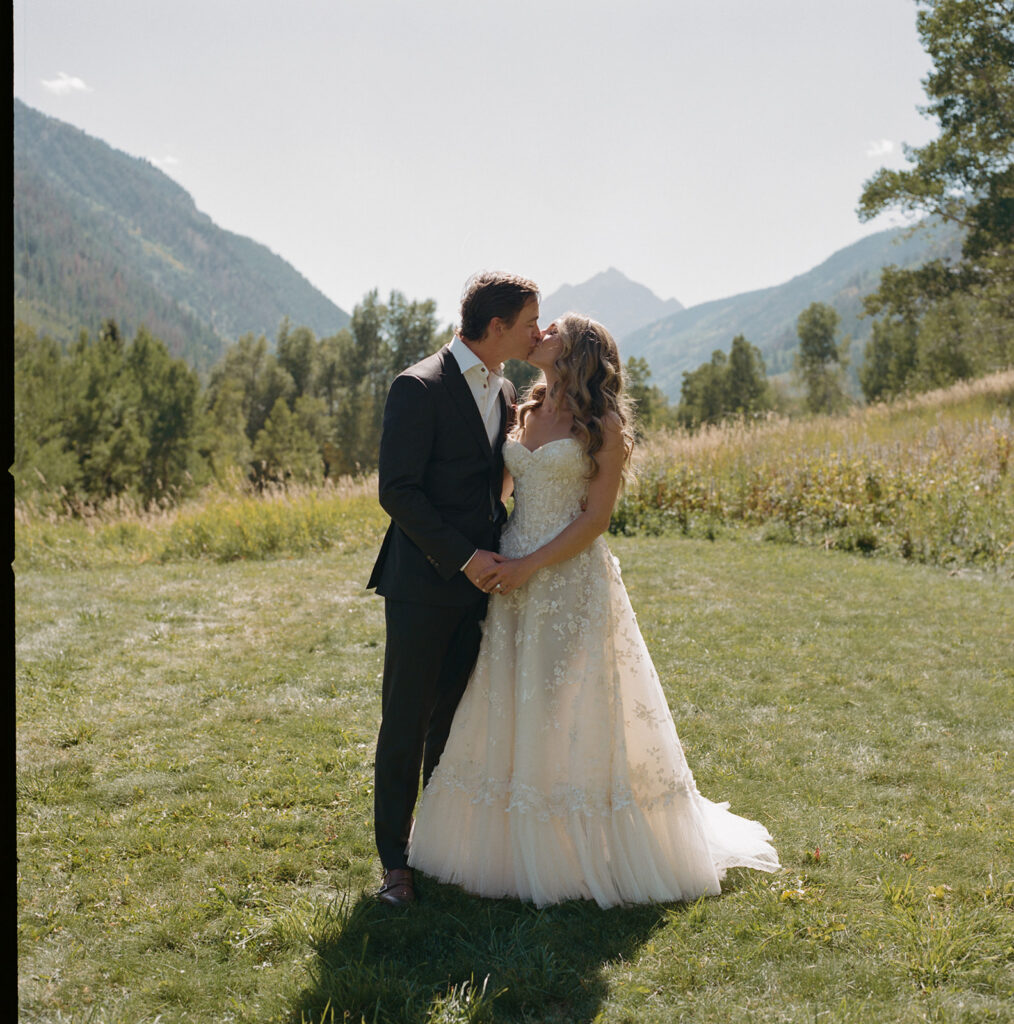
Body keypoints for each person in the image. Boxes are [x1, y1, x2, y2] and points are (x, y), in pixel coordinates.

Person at [406, 313, 779, 908]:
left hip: (567, 579)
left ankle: (573, 842)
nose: (539, 332)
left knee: (563, 704)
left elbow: (595, 520)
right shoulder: (522, 409)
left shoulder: (602, 426)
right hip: (510, 575)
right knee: (509, 695)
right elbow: (499, 490)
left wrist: (530, 565)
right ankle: (510, 837)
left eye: (551, 328)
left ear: (577, 348)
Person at [367, 271, 542, 906]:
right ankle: (395, 864)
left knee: (455, 719)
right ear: (496, 327)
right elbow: (398, 491)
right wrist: (465, 557)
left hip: (483, 587)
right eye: (529, 322)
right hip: (423, 582)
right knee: (405, 721)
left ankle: (437, 842)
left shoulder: (505, 388)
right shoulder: (418, 386)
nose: (536, 332)